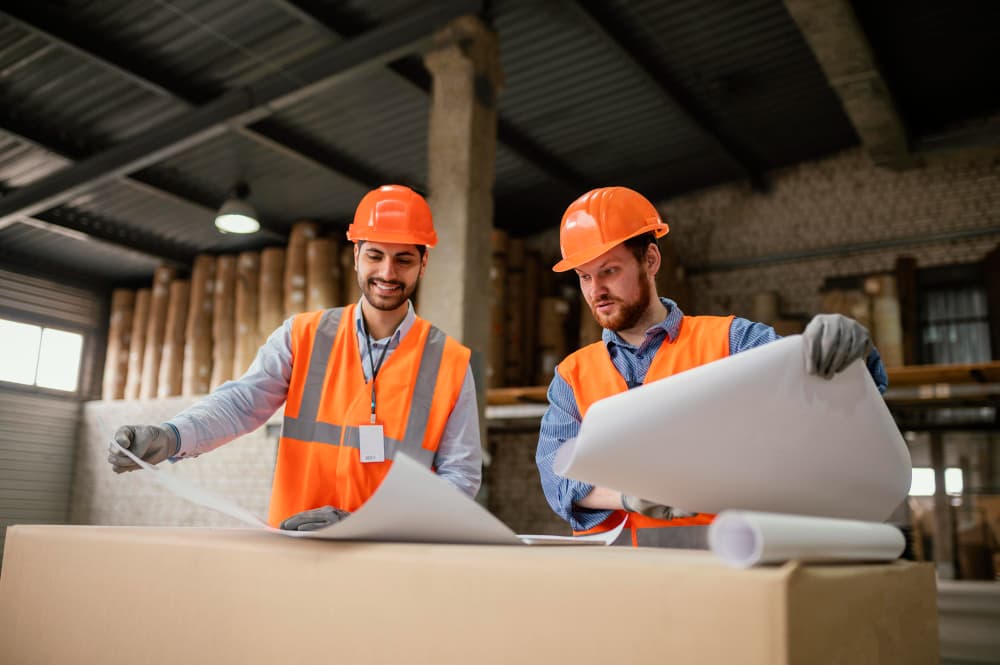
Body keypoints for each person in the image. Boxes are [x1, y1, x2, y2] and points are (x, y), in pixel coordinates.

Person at [109, 185, 482, 530]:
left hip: (390, 558)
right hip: (295, 548)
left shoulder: (449, 362)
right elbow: (242, 403)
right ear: (356, 255)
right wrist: (172, 436)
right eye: (375, 255)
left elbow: (460, 478)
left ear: (424, 262)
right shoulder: (303, 335)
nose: (387, 272)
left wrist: (364, 526)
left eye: (403, 259)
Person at [536, 186, 887, 548]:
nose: (597, 290)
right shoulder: (571, 375)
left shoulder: (733, 341)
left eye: (609, 270)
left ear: (651, 260)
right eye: (585, 276)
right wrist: (626, 496)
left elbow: (816, 386)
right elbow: (556, 475)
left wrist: (850, 352)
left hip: (721, 565)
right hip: (614, 582)